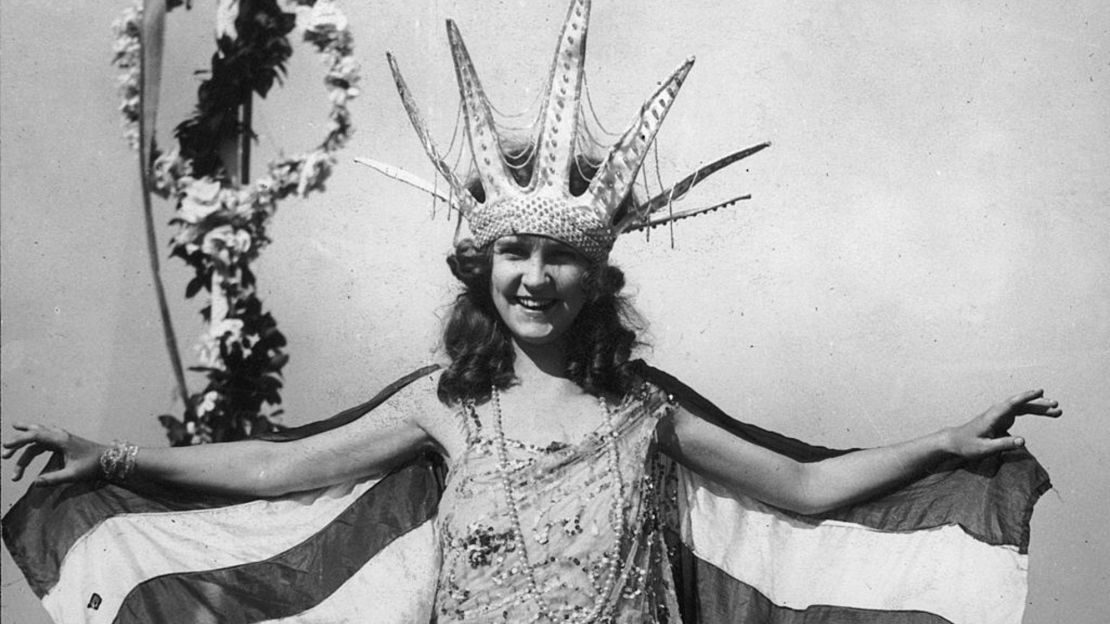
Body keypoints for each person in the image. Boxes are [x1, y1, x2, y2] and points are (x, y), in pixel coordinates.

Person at [3, 1, 1060, 623]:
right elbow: (276, 469)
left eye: (560, 257)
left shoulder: (647, 413)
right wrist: (117, 460)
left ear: (600, 279)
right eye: (515, 252)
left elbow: (803, 486)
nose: (535, 277)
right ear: (483, 268)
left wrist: (944, 443)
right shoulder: (443, 407)